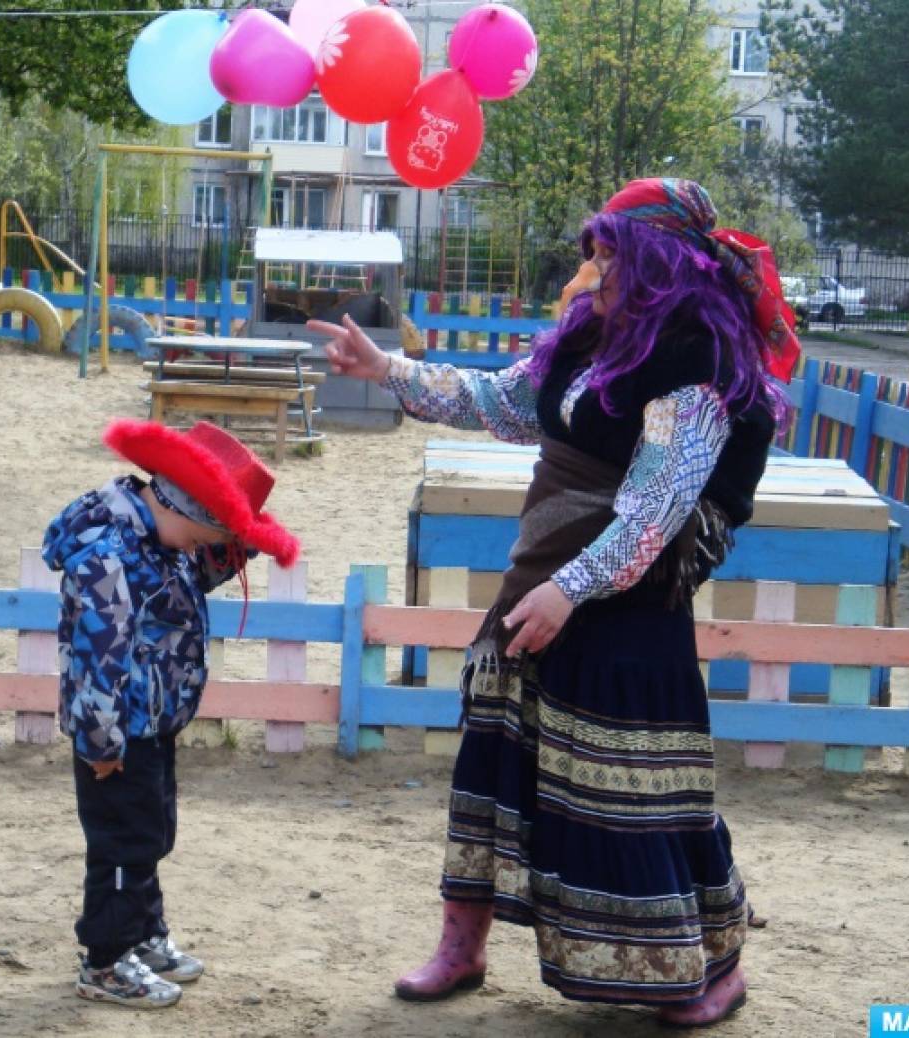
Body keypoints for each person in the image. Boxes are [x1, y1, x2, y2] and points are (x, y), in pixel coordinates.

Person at [307, 178, 799, 1027]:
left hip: (631, 599)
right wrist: (388, 369)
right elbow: (500, 405)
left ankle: (717, 966)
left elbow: (652, 516)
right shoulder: (588, 342)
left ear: (657, 265)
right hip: (545, 571)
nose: (593, 269)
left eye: (610, 254)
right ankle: (461, 948)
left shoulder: (697, 368)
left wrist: (568, 591)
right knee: (497, 757)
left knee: (642, 790)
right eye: (594, 251)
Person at [42, 418, 300, 1009]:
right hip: (115, 734)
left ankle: (144, 933)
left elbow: (186, 578)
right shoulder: (106, 557)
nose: (203, 551)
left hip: (151, 722)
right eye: (207, 535)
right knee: (118, 844)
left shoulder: (161, 539)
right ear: (182, 508)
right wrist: (101, 744)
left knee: (149, 834)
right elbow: (97, 659)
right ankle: (105, 960)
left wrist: (243, 537)